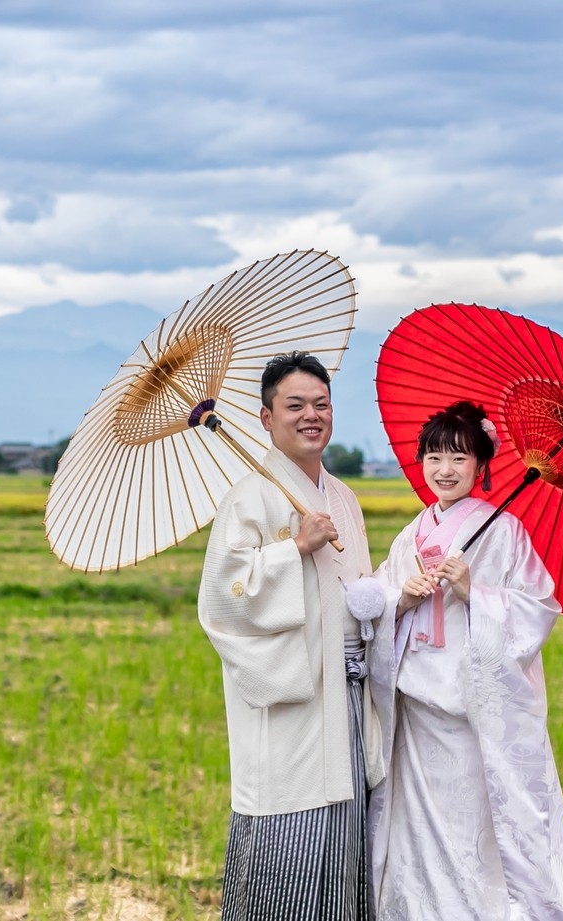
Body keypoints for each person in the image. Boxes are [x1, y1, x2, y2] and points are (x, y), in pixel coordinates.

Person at [365, 400, 563, 921]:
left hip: (470, 712)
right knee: (417, 833)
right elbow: (378, 596)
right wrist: (401, 598)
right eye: (434, 457)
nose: (444, 470)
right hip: (416, 712)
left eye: (459, 459)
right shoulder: (412, 534)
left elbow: (538, 607)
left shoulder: (504, 532)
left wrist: (475, 592)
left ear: (481, 466)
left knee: (473, 831)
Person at [199, 350, 383, 921]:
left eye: (321, 404)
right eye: (295, 405)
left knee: (349, 831)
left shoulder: (344, 498)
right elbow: (221, 601)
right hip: (293, 696)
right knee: (292, 833)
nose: (311, 415)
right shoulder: (248, 497)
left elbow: (356, 591)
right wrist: (293, 549)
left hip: (349, 692)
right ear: (265, 417)